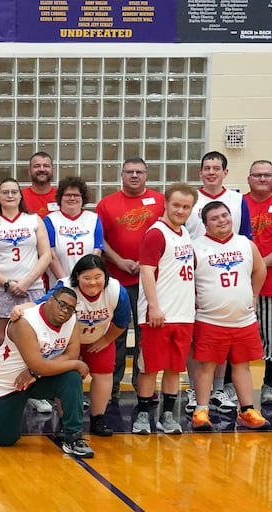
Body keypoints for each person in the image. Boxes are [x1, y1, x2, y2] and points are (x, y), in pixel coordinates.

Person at [10, 254, 131, 436]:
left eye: (98, 277)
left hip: (98, 338)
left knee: (104, 375)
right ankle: (65, 421)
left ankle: (98, 418)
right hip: (67, 340)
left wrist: (106, 340)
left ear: (105, 276)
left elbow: (122, 322)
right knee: (66, 376)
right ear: (77, 278)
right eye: (87, 278)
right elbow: (41, 305)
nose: (93, 283)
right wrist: (20, 309)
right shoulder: (65, 288)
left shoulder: (116, 291)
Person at [0, 287, 94, 458]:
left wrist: (35, 373)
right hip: (7, 383)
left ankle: (73, 436)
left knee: (71, 377)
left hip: (36, 377)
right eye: (62, 305)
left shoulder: (71, 320)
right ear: (50, 301)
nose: (66, 312)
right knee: (5, 440)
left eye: (71, 309)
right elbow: (38, 364)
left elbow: (70, 354)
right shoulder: (25, 322)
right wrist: (76, 364)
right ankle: (3, 416)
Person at [190, 201, 270, 431]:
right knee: (206, 366)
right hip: (209, 319)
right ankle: (201, 411)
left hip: (243, 319)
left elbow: (260, 269)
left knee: (242, 364)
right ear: (205, 224)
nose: (222, 220)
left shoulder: (245, 243)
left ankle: (246, 411)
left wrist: (254, 295)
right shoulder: (196, 247)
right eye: (214, 218)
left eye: (225, 215)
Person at [184, 151, 253, 413]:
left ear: (225, 172)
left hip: (228, 273)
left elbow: (247, 236)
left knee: (224, 336)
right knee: (197, 338)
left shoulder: (237, 199)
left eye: (216, 168)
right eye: (206, 168)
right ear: (200, 172)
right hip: (195, 271)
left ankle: (219, 390)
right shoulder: (190, 199)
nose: (211, 172)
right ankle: (193, 389)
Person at [95, 157, 165, 402]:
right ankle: (112, 385)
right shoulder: (106, 204)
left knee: (147, 334)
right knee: (117, 334)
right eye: (129, 172)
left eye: (139, 172)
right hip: (117, 280)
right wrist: (119, 260)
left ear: (146, 175)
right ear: (121, 175)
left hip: (150, 282)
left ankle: (142, 384)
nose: (134, 176)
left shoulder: (160, 201)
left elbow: (168, 233)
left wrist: (148, 263)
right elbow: (99, 239)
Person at [133, 183, 197, 435]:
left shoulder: (185, 234)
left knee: (174, 368)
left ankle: (167, 416)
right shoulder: (156, 233)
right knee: (149, 367)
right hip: (158, 315)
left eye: (186, 207)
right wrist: (154, 307)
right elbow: (147, 271)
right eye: (177, 205)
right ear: (166, 204)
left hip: (183, 314)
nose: (181, 210)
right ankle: (142, 416)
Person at [0, 179, 52, 364]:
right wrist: (7, 283)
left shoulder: (34, 220)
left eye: (14, 192)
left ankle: (33, 384)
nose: (10, 195)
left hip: (31, 288)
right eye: (5, 192)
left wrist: (27, 281)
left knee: (34, 338)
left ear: (20, 195)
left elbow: (46, 255)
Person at [244, 160, 272, 407]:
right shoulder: (239, 205)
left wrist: (260, 264)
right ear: (248, 179)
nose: (262, 178)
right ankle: (228, 385)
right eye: (257, 175)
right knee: (236, 336)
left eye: (266, 175)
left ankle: (270, 386)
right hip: (238, 286)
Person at [44, 176, 104, 282]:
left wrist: (84, 279)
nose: (72, 198)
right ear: (60, 197)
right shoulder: (50, 220)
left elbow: (97, 252)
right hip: (59, 282)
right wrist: (66, 281)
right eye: (67, 195)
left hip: (87, 283)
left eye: (76, 195)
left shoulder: (93, 218)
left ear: (83, 198)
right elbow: (51, 255)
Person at [21, 152, 57, 219]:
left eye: (46, 166)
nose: (42, 169)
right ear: (29, 171)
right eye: (37, 166)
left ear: (53, 171)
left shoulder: (62, 196)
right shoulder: (19, 197)